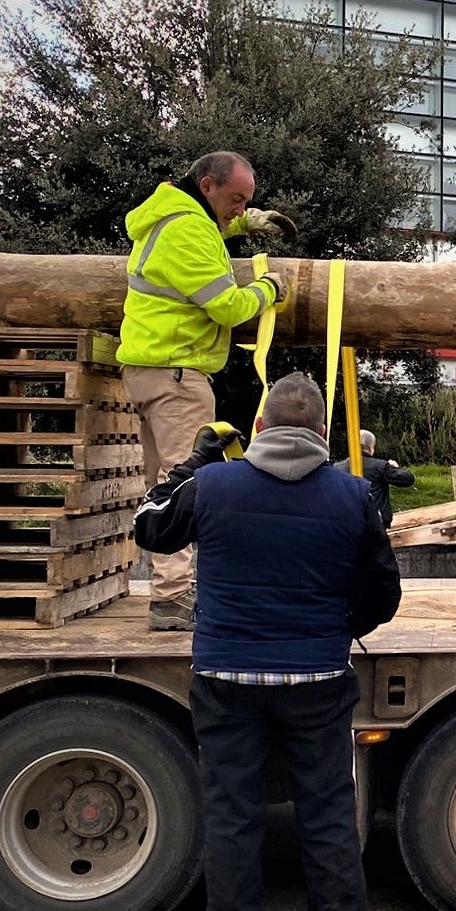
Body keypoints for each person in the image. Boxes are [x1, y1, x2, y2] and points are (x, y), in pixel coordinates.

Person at [132, 373, 400, 911]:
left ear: (256, 429)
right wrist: (337, 626)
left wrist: (187, 465)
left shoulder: (212, 486)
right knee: (329, 817)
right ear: (323, 435)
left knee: (232, 819)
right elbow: (382, 595)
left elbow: (149, 529)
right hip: (317, 679)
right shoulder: (352, 496)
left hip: (226, 679)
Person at [117, 151, 295, 631]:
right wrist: (269, 288)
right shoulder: (188, 230)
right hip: (178, 372)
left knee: (161, 482)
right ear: (209, 185)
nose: (238, 209)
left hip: (152, 365)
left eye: (246, 202)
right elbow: (228, 307)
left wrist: (244, 223)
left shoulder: (174, 216)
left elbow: (205, 237)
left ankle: (169, 588)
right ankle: (173, 597)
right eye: (236, 199)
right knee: (185, 484)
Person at [335, 430, 416, 530]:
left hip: (346, 524)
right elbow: (408, 480)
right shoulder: (380, 466)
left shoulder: (337, 468)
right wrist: (396, 468)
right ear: (371, 447)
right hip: (376, 524)